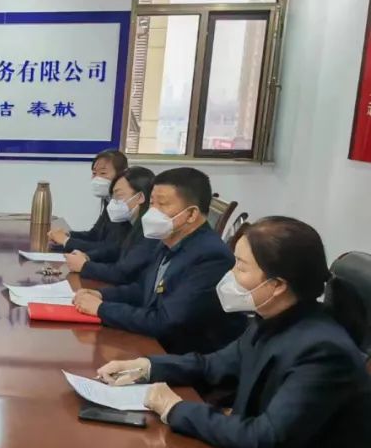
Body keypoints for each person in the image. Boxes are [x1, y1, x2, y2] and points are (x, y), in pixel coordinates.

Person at [96, 216, 371, 448]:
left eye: (240, 266)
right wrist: (147, 366)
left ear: (277, 285)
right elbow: (212, 365)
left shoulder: (323, 351)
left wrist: (174, 408)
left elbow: (266, 438)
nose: (229, 275)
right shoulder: (272, 319)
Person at [73, 167, 246, 354]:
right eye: (152, 203)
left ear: (191, 214)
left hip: (185, 357)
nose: (152, 212)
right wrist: (101, 295)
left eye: (162, 204)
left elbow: (166, 322)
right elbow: (144, 289)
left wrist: (102, 309)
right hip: (155, 343)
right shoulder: (169, 239)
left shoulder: (210, 257)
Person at [65, 166, 160, 286]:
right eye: (113, 197)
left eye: (118, 196)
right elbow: (115, 249)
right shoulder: (129, 222)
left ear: (140, 197)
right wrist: (87, 256)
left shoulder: (151, 232)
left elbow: (123, 273)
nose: (113, 202)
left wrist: (84, 266)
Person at [48, 148, 130, 255]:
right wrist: (68, 235)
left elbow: (110, 248)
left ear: (121, 175)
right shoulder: (109, 201)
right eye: (94, 173)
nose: (97, 178)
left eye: (103, 173)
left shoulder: (123, 207)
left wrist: (66, 241)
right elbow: (94, 235)